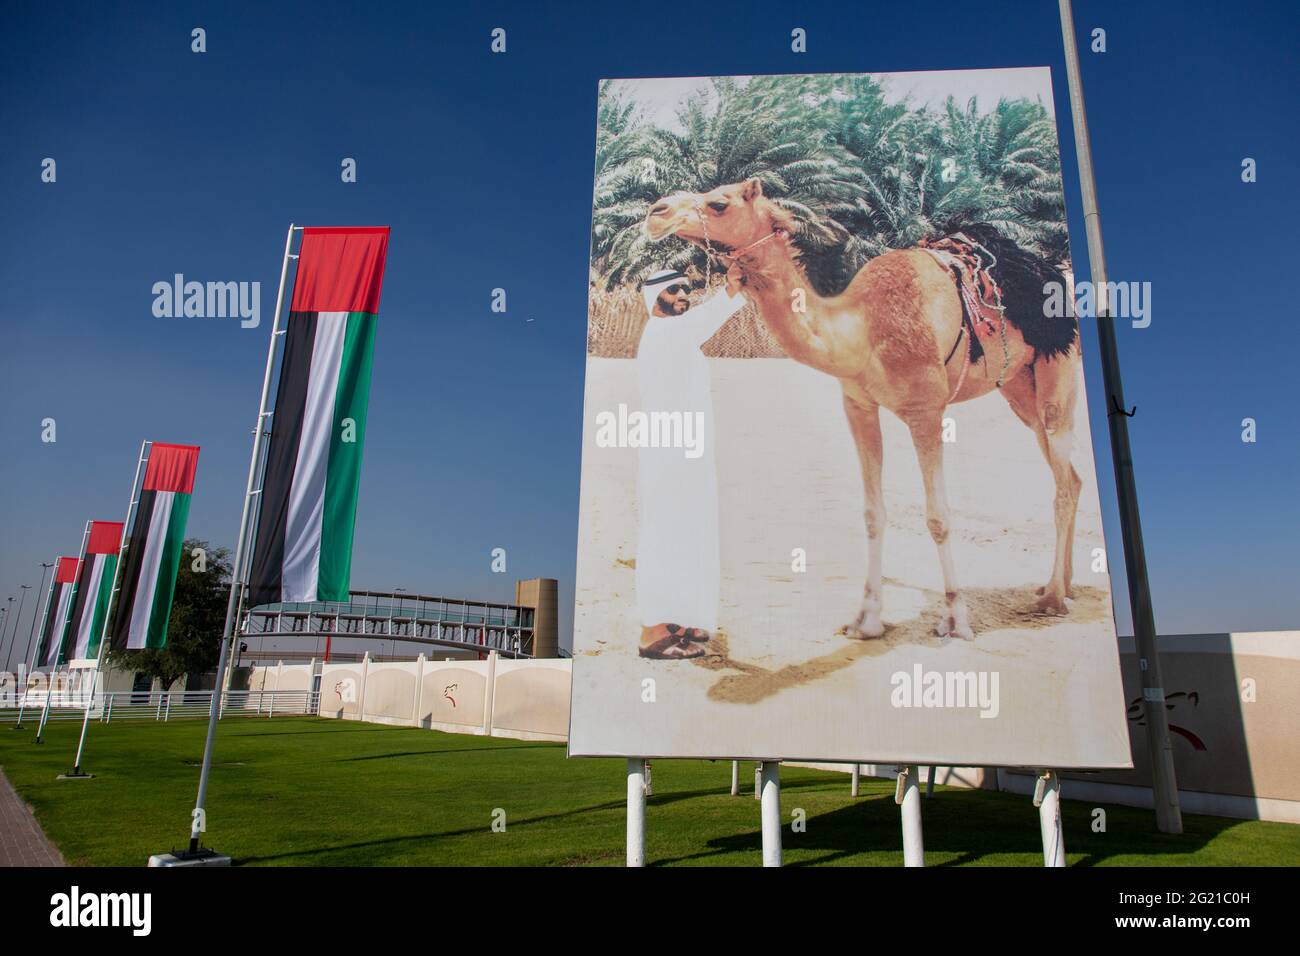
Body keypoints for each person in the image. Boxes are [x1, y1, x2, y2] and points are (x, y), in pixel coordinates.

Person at [635, 269, 746, 659]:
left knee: (686, 535)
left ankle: (676, 619)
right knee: (665, 538)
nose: (684, 293)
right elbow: (708, 317)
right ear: (655, 298)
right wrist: (732, 289)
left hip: (684, 456)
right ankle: (652, 632)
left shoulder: (675, 336)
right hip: (669, 459)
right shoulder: (665, 332)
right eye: (673, 289)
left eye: (686, 287)